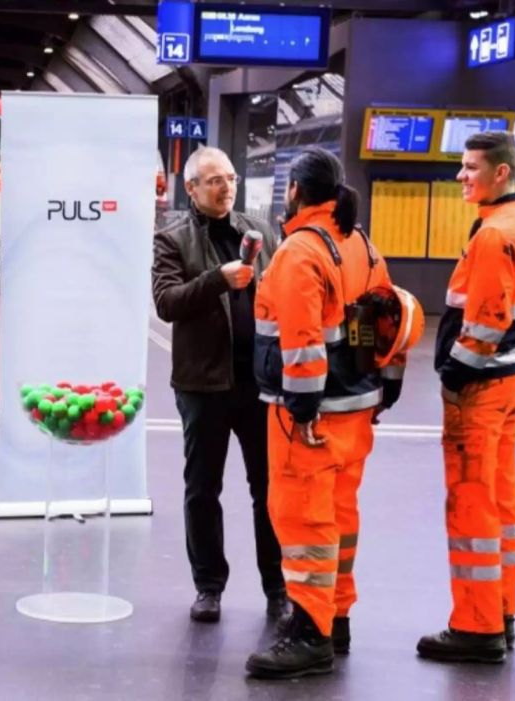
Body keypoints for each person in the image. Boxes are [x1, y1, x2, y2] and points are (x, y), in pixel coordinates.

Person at [245, 147, 422, 679]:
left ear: (295, 190)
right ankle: (335, 617)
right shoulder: (359, 243)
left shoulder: (301, 250)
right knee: (339, 518)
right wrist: (385, 386)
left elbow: (301, 342)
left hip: (311, 418)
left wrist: (300, 408)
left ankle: (308, 635)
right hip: (355, 411)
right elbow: (385, 316)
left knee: (303, 521)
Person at [152, 146, 288, 625]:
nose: (226, 187)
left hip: (259, 384)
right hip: (203, 384)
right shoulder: (172, 238)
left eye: (230, 178)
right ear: (191, 188)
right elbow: (167, 302)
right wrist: (217, 279)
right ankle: (208, 587)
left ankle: (278, 587)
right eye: (213, 180)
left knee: (268, 489)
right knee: (202, 489)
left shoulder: (261, 231)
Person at [417, 132, 515, 664]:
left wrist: (453, 375)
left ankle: (477, 626)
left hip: (482, 389)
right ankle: (503, 612)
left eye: (469, 167)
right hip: (513, 381)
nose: (461, 176)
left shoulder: (493, 236)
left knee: (471, 503)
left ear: (501, 174)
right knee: (501, 500)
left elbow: (486, 324)